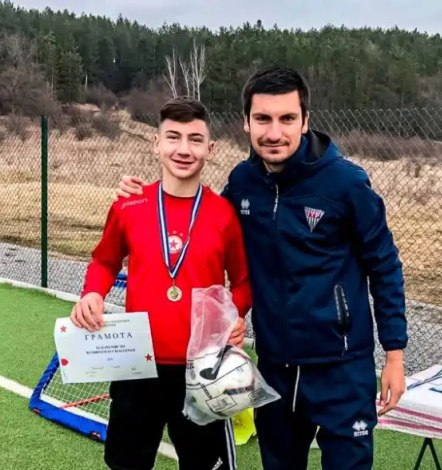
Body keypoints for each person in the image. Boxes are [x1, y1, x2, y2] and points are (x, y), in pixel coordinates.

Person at [114, 66, 408, 470]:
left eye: (287, 118)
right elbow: (200, 223)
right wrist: (143, 198)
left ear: (305, 120)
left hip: (341, 368)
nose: (274, 132)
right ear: (246, 123)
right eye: (263, 119)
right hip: (274, 366)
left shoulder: (347, 184)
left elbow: (385, 267)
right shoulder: (243, 182)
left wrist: (394, 355)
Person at [70, 96, 251, 470]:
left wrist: (236, 314)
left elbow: (243, 281)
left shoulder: (223, 214)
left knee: (204, 464)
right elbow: (104, 260)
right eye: (173, 137)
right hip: (137, 364)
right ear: (156, 144)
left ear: (210, 149)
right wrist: (92, 293)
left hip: (202, 367)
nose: (183, 149)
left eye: (195, 139)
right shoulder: (129, 205)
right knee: (127, 463)